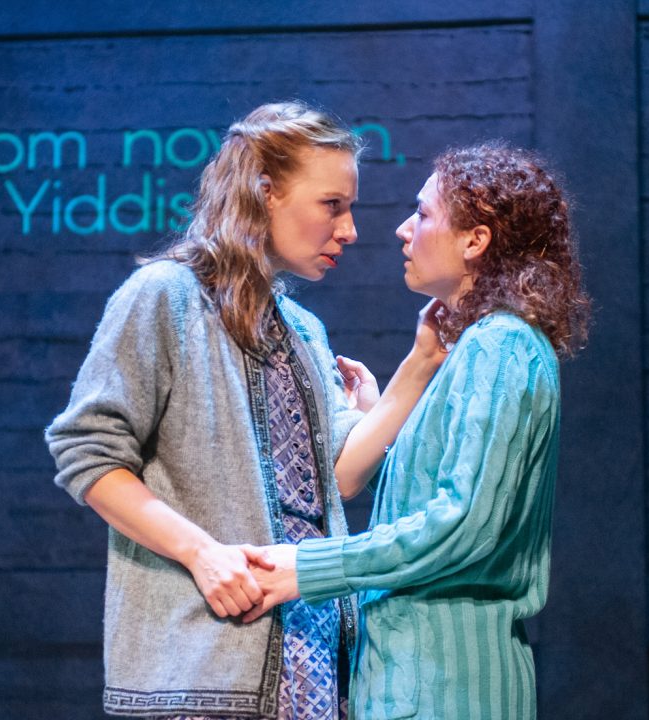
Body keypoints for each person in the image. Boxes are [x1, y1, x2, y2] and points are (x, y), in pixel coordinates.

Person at [45, 101, 445, 719]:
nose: (350, 230)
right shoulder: (166, 297)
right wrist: (202, 553)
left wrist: (419, 365)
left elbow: (335, 476)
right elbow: (88, 455)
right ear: (265, 194)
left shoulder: (303, 329)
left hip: (314, 665)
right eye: (331, 205)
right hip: (205, 667)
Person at [244, 142, 591, 719]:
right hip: (417, 683)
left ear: (475, 241)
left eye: (424, 214)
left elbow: (464, 526)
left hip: (444, 687)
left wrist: (305, 569)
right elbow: (444, 498)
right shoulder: (479, 350)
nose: (405, 230)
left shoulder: (500, 345)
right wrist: (387, 406)